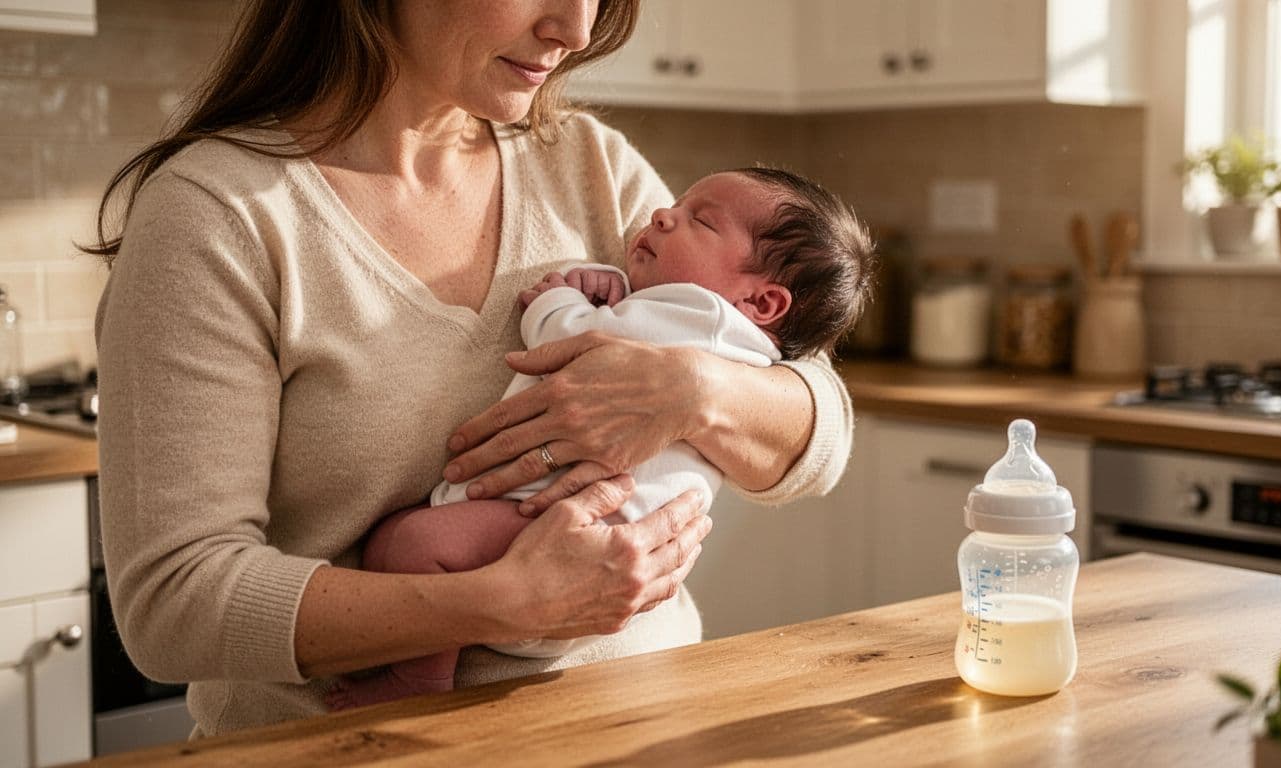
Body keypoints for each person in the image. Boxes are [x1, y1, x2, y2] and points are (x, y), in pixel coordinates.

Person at [89, 0, 855, 736]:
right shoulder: (219, 214)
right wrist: (502, 605)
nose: (576, 28)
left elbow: (817, 416)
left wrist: (694, 391)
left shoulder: (588, 164)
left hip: (648, 730)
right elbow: (174, 604)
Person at [329, 167, 875, 709]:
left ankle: (419, 685)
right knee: (401, 543)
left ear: (762, 303)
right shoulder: (728, 332)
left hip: (570, 537)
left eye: (699, 221)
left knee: (410, 546)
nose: (662, 214)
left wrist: (559, 295)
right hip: (604, 564)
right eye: (679, 203)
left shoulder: (701, 315)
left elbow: (568, 337)